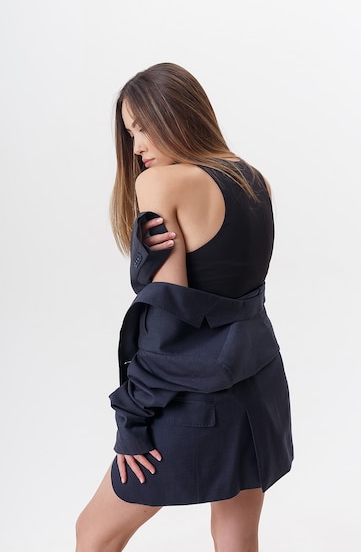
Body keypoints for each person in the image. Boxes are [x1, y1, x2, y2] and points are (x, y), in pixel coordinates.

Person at [75, 63, 293, 552]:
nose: (136, 148)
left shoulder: (162, 184)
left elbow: (173, 326)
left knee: (93, 532)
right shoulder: (253, 178)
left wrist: (132, 421)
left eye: (142, 128)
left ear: (175, 114)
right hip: (258, 389)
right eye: (130, 134)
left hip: (194, 397)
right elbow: (234, 297)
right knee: (236, 537)